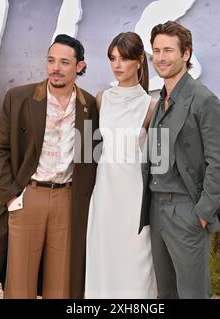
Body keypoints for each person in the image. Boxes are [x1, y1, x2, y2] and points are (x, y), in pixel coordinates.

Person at [0, 34, 99, 299]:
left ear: (79, 66)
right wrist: (12, 197)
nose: (55, 67)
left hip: (68, 200)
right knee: (20, 285)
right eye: (51, 60)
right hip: (28, 196)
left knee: (61, 286)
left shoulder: (89, 105)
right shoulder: (19, 98)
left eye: (64, 62)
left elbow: (92, 158)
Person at [139, 21, 220, 299]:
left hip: (187, 209)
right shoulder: (160, 100)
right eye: (156, 51)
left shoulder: (204, 100)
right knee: (165, 294)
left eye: (169, 50)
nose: (161, 57)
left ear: (186, 54)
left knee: (192, 294)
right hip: (157, 208)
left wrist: (203, 212)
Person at [85, 32, 158, 298]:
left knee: (136, 269)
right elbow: (88, 153)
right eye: (112, 58)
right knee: (103, 263)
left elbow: (160, 162)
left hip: (136, 199)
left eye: (124, 58)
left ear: (139, 61)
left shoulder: (152, 105)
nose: (117, 65)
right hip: (104, 196)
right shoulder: (101, 99)